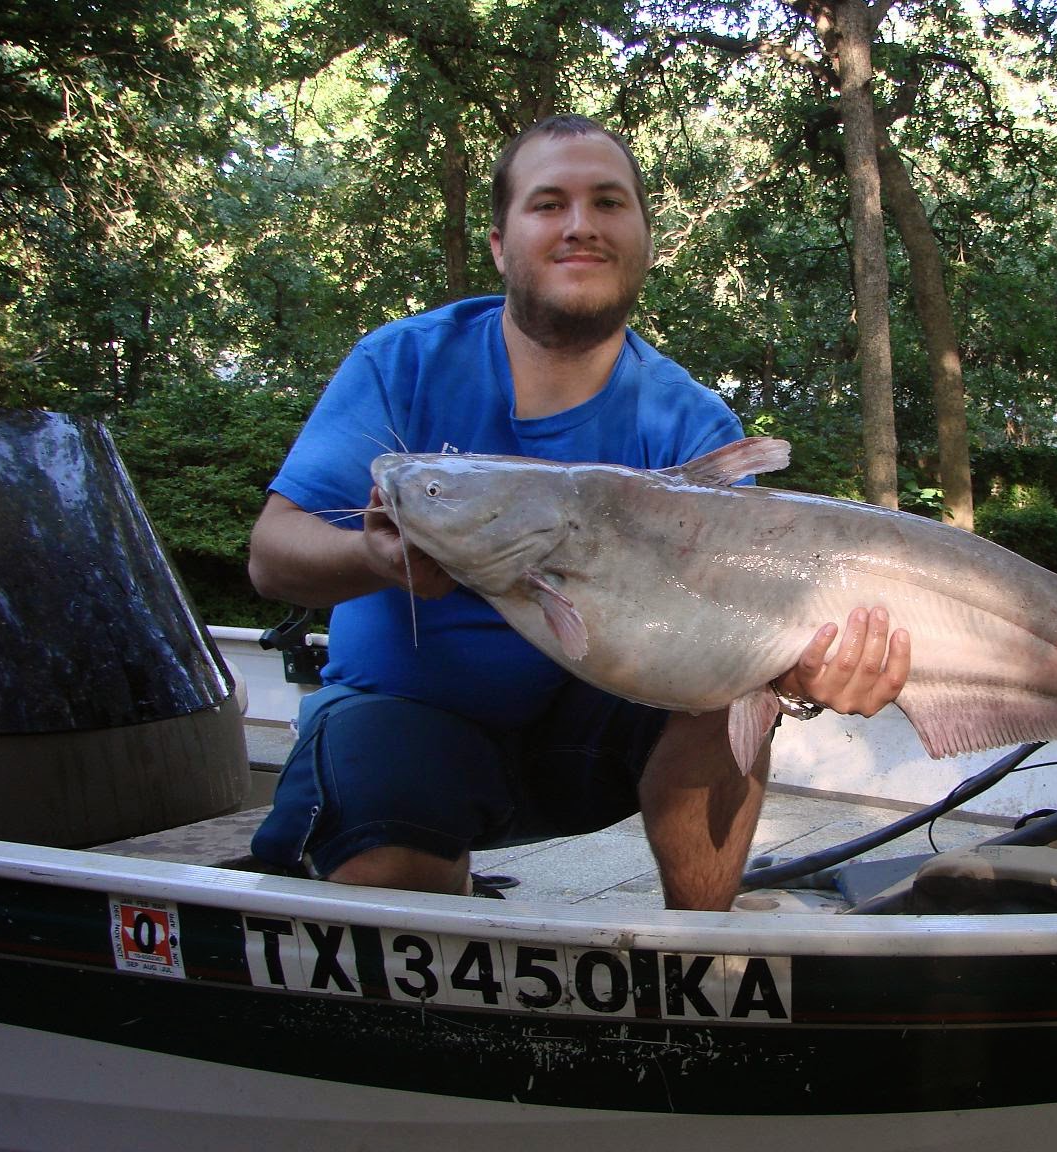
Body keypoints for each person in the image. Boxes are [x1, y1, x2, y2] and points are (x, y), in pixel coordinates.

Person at [246, 114, 910, 911]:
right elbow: (271, 555)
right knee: (385, 875)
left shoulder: (692, 425)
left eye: (607, 202)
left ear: (644, 238)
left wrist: (802, 666)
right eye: (548, 203)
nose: (581, 226)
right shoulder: (402, 363)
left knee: (730, 694)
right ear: (499, 243)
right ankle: (433, 866)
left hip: (603, 734)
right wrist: (375, 559)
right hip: (408, 717)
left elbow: (744, 616)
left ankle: (703, 950)